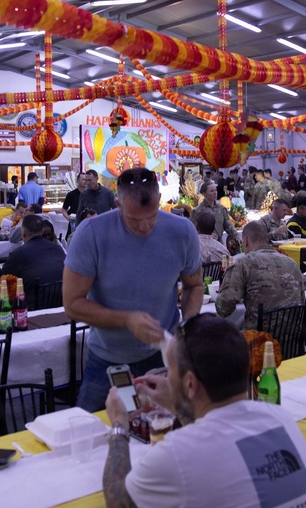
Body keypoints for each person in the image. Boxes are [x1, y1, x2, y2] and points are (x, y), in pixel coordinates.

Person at [103, 313, 306, 508]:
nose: (167, 377)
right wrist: (176, 403)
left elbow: (118, 501)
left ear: (190, 384)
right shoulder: (281, 419)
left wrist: (119, 425)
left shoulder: (177, 454)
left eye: (170, 370)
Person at [63, 167, 203, 412]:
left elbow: (194, 285)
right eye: (134, 219)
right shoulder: (91, 233)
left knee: (165, 428)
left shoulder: (182, 231)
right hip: (108, 359)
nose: (144, 227)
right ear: (117, 203)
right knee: (95, 427)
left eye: (151, 217)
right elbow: (72, 304)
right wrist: (126, 320)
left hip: (163, 355)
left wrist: (187, 327)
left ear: (160, 200)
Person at [216, 221, 305, 330]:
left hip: (258, 341)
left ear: (246, 241)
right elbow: (302, 301)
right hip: (291, 340)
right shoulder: (292, 263)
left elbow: (224, 309)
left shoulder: (244, 264)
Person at [0, 214, 65, 292]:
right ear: (42, 230)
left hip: (32, 302)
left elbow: (3, 282)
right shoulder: (58, 249)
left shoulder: (19, 254)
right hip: (61, 301)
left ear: (23, 232)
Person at [192, 181, 240, 245]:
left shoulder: (221, 208)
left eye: (215, 190)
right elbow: (193, 230)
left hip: (219, 244)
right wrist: (206, 236)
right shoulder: (198, 210)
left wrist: (237, 236)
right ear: (204, 194)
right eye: (212, 191)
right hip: (204, 245)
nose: (215, 193)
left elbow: (228, 224)